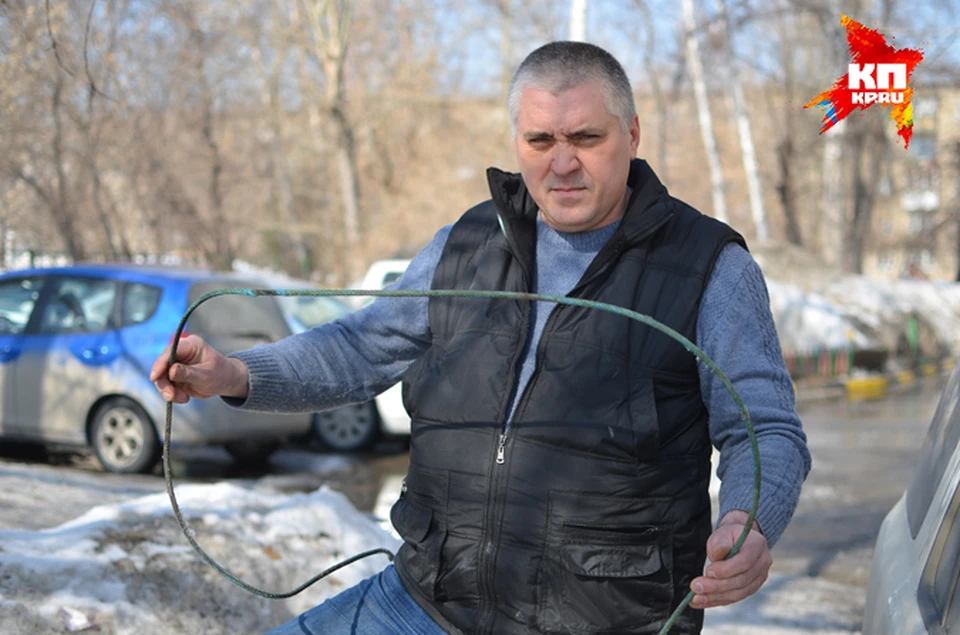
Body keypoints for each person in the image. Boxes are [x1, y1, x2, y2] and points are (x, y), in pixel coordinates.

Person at [151, 41, 810, 635]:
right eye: (539, 140)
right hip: (426, 600)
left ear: (632, 134)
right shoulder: (464, 245)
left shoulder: (708, 265)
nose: (562, 163)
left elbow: (766, 430)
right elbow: (359, 347)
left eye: (585, 136)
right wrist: (235, 374)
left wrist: (747, 521)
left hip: (610, 619)